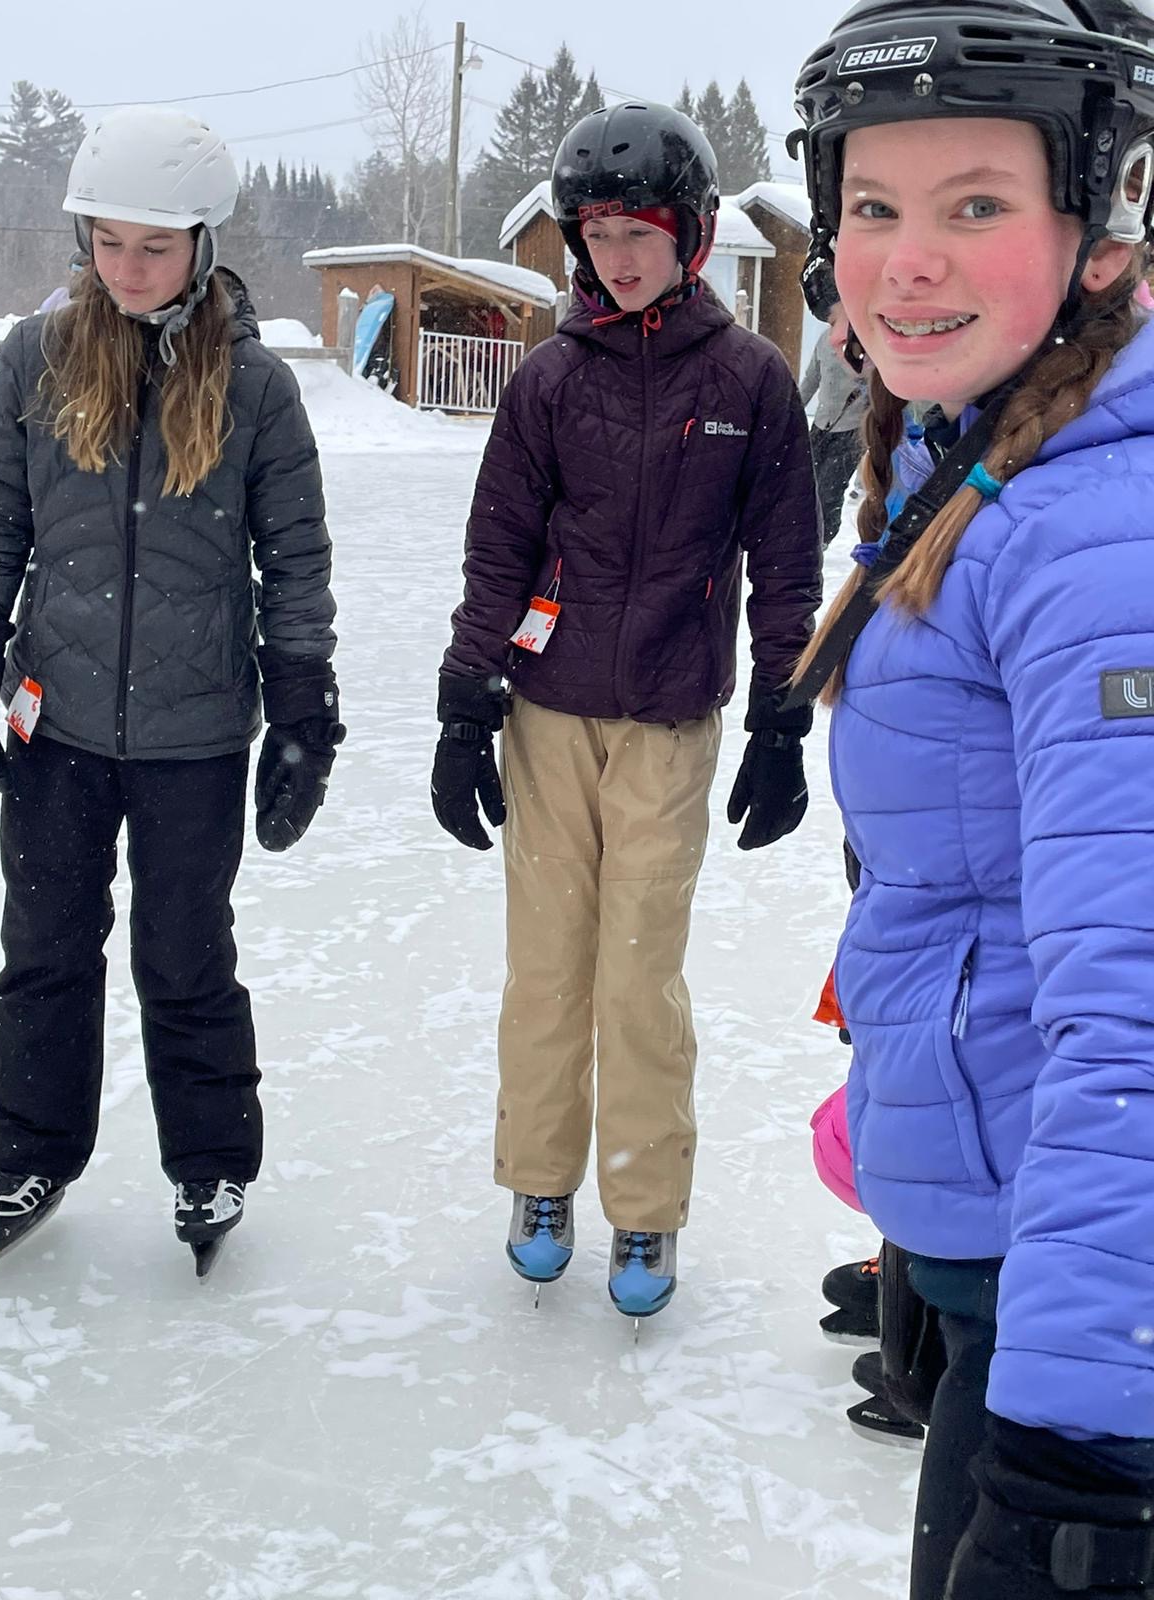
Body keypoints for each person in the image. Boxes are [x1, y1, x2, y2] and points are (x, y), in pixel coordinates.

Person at [791, 1, 1154, 1594]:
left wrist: (1089, 1444)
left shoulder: (1098, 543)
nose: (907, 262)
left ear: (1107, 225)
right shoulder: (985, 456)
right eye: (875, 205)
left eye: (978, 203)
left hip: (1082, 1336)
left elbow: (1137, 1008)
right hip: (1005, 1235)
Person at [432, 100, 822, 1320]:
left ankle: (645, 1202)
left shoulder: (750, 379)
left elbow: (787, 563)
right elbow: (499, 550)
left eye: (639, 231)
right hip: (547, 715)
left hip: (670, 718)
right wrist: (464, 703)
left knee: (640, 974)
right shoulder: (548, 381)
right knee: (547, 968)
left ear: (691, 234)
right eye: (596, 234)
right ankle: (540, 1183)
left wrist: (781, 717)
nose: (617, 257)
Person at [0, 105, 343, 1271]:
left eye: (155, 246)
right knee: (44, 947)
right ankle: (29, 1152)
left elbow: (295, 558)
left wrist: (305, 709)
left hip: (197, 732)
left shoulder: (256, 386)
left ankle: (211, 1161)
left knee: (185, 954)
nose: (127, 268)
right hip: (56, 723)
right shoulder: (32, 360)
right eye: (109, 242)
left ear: (203, 244)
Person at [799, 255, 868, 546]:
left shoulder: (866, 343)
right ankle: (806, 534)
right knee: (807, 482)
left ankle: (823, 540)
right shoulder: (823, 342)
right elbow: (810, 381)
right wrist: (790, 409)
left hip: (851, 431)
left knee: (830, 490)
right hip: (822, 426)